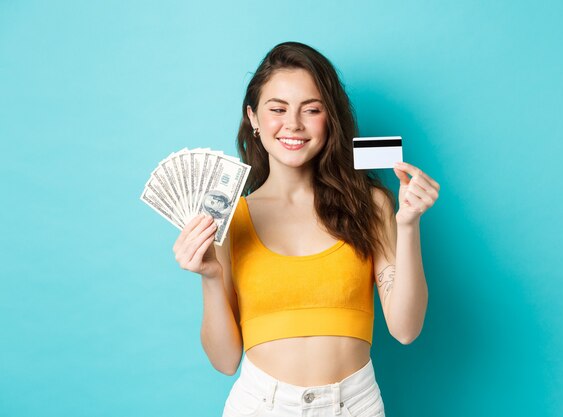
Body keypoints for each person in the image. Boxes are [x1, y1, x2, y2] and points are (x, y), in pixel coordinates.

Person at [172, 42, 439, 417]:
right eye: (277, 109)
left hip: (355, 405)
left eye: (311, 110)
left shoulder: (370, 204)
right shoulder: (228, 217)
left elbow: (406, 329)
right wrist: (211, 277)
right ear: (253, 117)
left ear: (330, 118)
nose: (293, 124)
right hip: (259, 405)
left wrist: (408, 226)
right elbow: (225, 361)